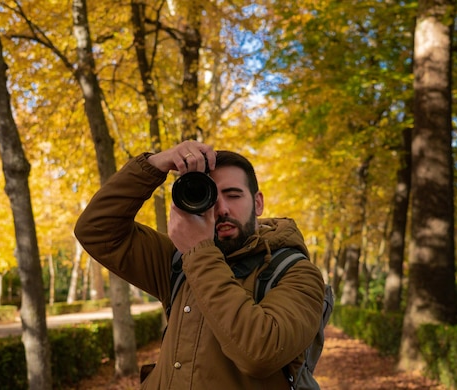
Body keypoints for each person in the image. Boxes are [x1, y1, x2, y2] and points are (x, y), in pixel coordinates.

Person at [74, 140, 325, 389]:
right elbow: (96, 231)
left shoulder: (297, 273)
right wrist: (154, 165)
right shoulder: (178, 260)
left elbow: (259, 353)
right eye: (211, 196)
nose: (222, 209)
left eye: (233, 195)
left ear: (258, 203)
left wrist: (198, 251)